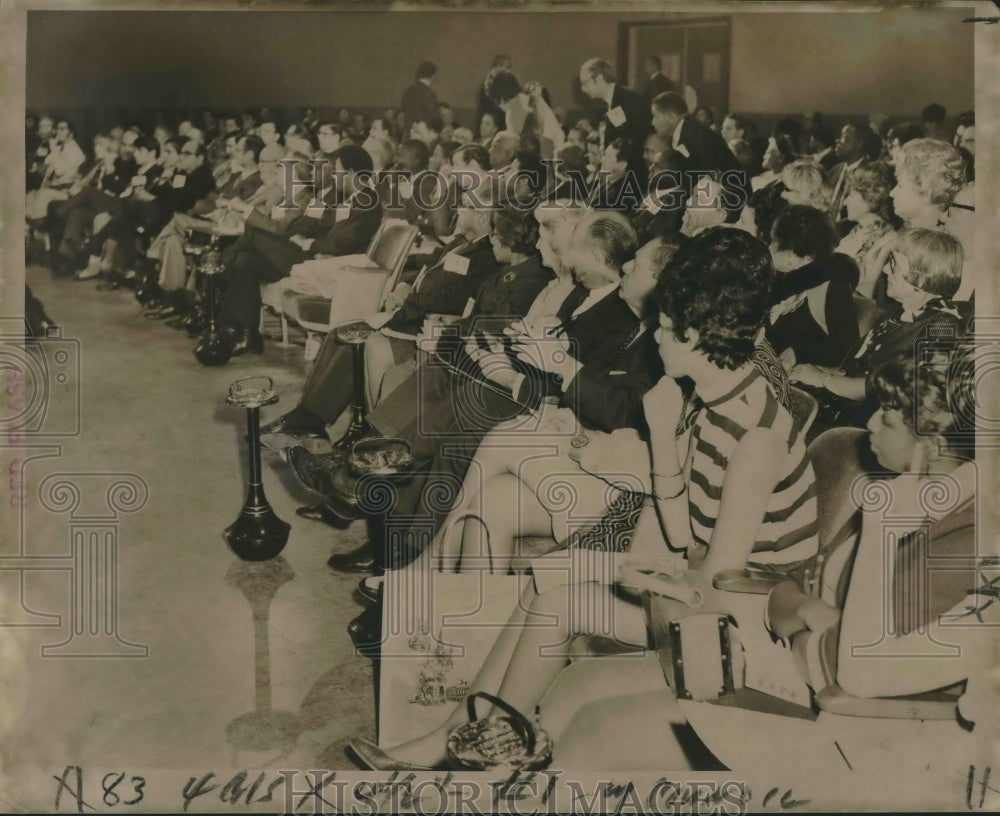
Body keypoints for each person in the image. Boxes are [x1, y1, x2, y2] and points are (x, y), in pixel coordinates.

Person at [347, 226, 818, 770]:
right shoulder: (709, 400)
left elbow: (716, 586)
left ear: (693, 337)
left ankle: (488, 748)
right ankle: (461, 736)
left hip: (742, 633)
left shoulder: (755, 432)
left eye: (664, 329)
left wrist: (618, 570)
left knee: (557, 595)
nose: (656, 339)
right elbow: (684, 529)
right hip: (699, 589)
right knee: (544, 591)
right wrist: (664, 440)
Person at [546, 347, 982, 773]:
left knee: (594, 729)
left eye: (886, 418)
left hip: (850, 731)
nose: (869, 424)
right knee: (575, 689)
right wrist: (812, 614)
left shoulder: (962, 540)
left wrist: (811, 620)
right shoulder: (911, 492)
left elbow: (851, 669)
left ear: (934, 444)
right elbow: (792, 586)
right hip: (788, 673)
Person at [790, 228, 966, 430]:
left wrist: (822, 379)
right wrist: (816, 370)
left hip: (874, 427)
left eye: (893, 264)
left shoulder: (942, 326)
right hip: (849, 414)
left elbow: (879, 388)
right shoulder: (901, 311)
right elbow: (860, 368)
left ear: (922, 277)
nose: (885, 270)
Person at [766, 205, 861, 369]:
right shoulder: (780, 280)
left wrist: (800, 352)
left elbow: (847, 351)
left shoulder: (834, 287)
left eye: (774, 242)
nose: (769, 248)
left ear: (790, 254)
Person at [579, 58, 651, 145]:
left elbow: (633, 137)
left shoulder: (628, 99)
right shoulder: (608, 102)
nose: (582, 89)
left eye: (584, 83)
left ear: (599, 78)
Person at [402, 61, 439, 131]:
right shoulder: (428, 93)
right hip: (425, 132)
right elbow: (432, 116)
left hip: (409, 131)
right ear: (433, 76)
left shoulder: (409, 91)